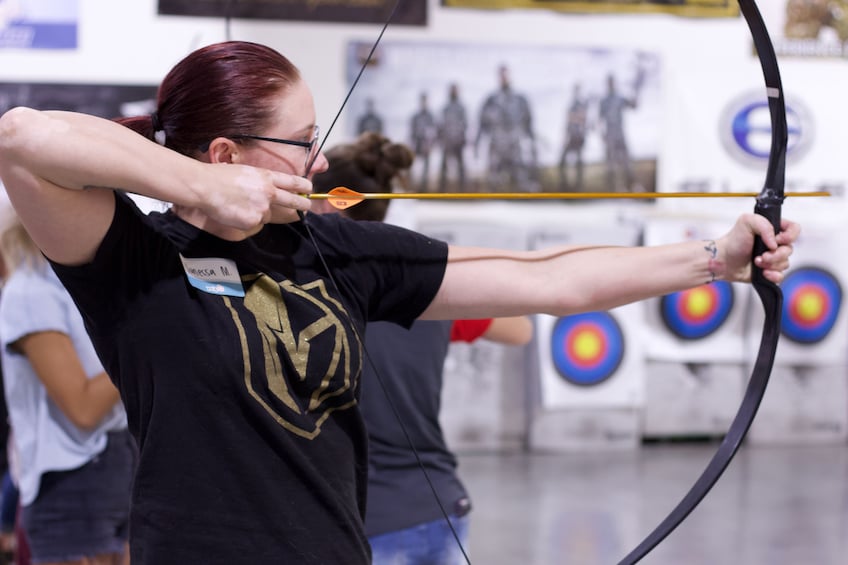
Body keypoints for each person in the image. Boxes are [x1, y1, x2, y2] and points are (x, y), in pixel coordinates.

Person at [0, 40, 799, 565]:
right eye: (299, 140)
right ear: (225, 152)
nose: (317, 159)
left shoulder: (335, 249)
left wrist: (716, 259)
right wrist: (200, 188)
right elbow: (23, 137)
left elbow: (550, 280)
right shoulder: (136, 258)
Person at [312, 132, 533, 564]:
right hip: (442, 509)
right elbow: (519, 329)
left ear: (326, 203)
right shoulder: (423, 291)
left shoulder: (309, 292)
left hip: (368, 523)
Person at [0, 213, 134, 565]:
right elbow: (83, 409)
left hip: (115, 463)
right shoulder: (30, 292)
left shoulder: (73, 284)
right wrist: (143, 343)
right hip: (71, 479)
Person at [474, 64, 538, 191]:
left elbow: (528, 121)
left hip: (514, 146)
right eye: (501, 75)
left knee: (521, 180)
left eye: (506, 74)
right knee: (494, 183)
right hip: (496, 148)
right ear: (498, 77)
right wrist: (477, 143)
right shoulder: (490, 100)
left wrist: (532, 141)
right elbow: (482, 124)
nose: (504, 77)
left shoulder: (520, 99)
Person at [598, 73, 640, 192]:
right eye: (609, 82)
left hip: (620, 134)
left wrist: (636, 92)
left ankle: (632, 186)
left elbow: (633, 106)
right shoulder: (604, 101)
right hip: (609, 136)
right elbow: (599, 120)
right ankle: (613, 189)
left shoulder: (620, 98)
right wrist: (602, 135)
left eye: (612, 82)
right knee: (610, 163)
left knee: (626, 161)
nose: (611, 84)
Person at [437, 83, 468, 192]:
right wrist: (440, 139)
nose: (454, 92)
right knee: (444, 168)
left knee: (461, 169)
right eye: (452, 90)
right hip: (447, 142)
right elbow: (440, 125)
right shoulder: (445, 108)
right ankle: (441, 191)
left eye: (455, 90)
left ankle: (463, 191)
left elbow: (465, 125)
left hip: (458, 143)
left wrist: (463, 139)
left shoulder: (461, 108)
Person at [558, 83, 589, 192]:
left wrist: (575, 118)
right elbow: (568, 123)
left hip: (579, 138)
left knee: (579, 163)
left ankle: (579, 188)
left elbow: (583, 119)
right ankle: (564, 186)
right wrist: (565, 137)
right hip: (571, 137)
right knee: (562, 162)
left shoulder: (583, 104)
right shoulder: (571, 105)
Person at [409, 92, 437, 192]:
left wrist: (430, 145)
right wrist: (411, 145)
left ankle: (424, 189)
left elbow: (434, 132)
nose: (424, 103)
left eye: (425, 101)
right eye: (422, 101)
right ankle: (411, 188)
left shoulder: (431, 116)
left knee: (426, 169)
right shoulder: (415, 116)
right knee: (413, 167)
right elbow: (411, 132)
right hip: (416, 145)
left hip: (426, 146)